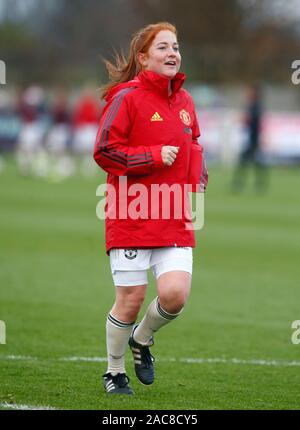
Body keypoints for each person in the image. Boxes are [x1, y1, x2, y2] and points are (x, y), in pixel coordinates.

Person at [94, 22, 208, 395]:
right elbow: (105, 150)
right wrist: (153, 157)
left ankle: (142, 340)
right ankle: (114, 372)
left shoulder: (187, 102)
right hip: (131, 212)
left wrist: (198, 173)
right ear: (143, 58)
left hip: (174, 211)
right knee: (130, 300)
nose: (172, 53)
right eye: (162, 48)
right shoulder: (125, 97)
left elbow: (193, 145)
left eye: (175, 46)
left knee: (175, 294)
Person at [232, 84, 268, 192]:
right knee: (253, 164)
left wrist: (243, 119)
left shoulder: (256, 106)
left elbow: (251, 121)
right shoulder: (253, 105)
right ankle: (258, 184)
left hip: (253, 141)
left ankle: (241, 184)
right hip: (250, 140)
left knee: (248, 163)